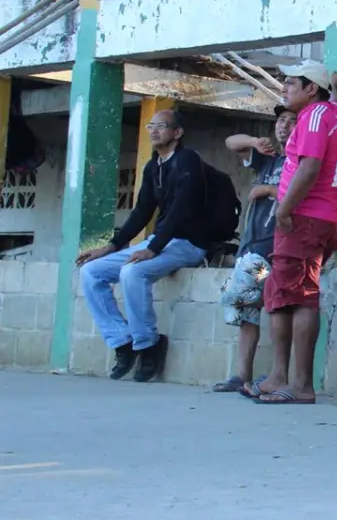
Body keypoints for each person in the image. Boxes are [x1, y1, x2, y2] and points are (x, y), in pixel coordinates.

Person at [77, 109, 210, 382]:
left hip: (188, 243)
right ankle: (123, 343)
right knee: (91, 272)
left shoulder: (188, 161)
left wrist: (154, 248)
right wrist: (111, 247)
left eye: (161, 126)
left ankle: (148, 345)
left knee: (133, 272)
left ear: (177, 132)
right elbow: (142, 211)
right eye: (151, 126)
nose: (154, 131)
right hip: (159, 241)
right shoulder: (153, 166)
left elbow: (180, 209)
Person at [255, 60, 337, 405]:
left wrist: (283, 210)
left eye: (292, 82)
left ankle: (297, 383)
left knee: (297, 296)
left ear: (312, 88)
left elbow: (310, 166)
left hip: (303, 217)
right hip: (324, 218)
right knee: (284, 293)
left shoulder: (313, 115)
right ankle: (280, 377)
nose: (285, 87)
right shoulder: (335, 113)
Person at [213, 105, 298, 394]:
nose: (284, 126)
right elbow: (230, 142)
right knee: (247, 308)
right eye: (281, 121)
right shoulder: (269, 161)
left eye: (291, 121)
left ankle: (278, 377)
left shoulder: (301, 160)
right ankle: (242, 377)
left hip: (274, 249)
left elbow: (306, 195)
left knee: (244, 298)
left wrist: (270, 191)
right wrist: (253, 142)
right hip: (252, 245)